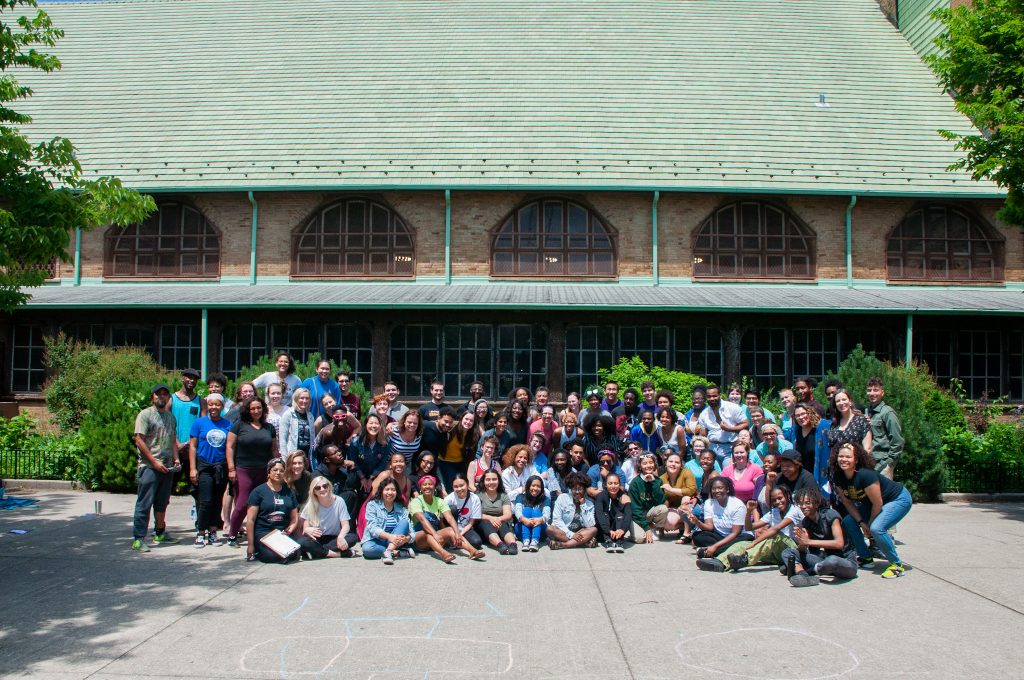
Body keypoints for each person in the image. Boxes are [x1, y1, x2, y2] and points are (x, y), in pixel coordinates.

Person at [831, 442, 912, 578]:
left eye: (848, 457)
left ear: (856, 460)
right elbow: (847, 502)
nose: (844, 460)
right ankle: (866, 558)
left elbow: (877, 502)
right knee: (848, 521)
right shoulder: (838, 476)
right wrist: (861, 522)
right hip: (873, 504)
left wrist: (868, 526)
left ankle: (897, 565)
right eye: (841, 456)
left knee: (876, 528)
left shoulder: (865, 475)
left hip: (897, 499)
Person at [701, 485, 803, 573]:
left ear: (788, 496)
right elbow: (749, 527)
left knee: (775, 536)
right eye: (774, 500)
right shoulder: (774, 512)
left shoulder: (794, 510)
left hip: (792, 549)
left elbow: (776, 529)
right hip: (774, 551)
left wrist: (754, 543)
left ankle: (744, 560)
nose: (777, 502)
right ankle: (720, 563)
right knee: (742, 544)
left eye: (780, 498)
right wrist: (749, 511)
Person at [131, 383, 180, 552]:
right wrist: (153, 462)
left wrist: (176, 459)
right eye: (158, 394)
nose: (162, 397)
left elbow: (173, 439)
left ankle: (160, 532)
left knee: (162, 502)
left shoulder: (170, 417)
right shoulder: (145, 415)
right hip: (149, 467)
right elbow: (139, 440)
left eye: (165, 394)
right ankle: (138, 538)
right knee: (144, 503)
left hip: (166, 467)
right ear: (153, 397)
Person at [226, 396, 280, 546]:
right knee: (243, 503)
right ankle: (232, 535)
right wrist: (231, 468)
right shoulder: (239, 425)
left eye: (259, 408)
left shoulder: (269, 428)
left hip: (264, 470)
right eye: (253, 408)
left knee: (265, 504)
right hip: (244, 469)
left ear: (263, 409)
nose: (256, 411)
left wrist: (278, 466)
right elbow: (230, 447)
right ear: (247, 410)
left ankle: (261, 534)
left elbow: (274, 449)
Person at [782, 486, 859, 587]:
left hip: (845, 562)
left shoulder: (830, 515)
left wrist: (808, 541)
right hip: (823, 560)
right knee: (788, 552)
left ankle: (806, 571)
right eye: (800, 504)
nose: (803, 506)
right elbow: (806, 550)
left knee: (832, 560)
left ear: (817, 503)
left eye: (807, 503)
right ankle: (803, 575)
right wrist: (802, 543)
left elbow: (839, 543)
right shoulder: (806, 522)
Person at [188, 392, 231, 548]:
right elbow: (193, 446)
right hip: (204, 466)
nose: (214, 407)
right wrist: (193, 468)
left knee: (217, 501)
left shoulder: (227, 425)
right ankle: (200, 532)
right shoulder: (199, 423)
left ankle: (213, 531)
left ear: (222, 406)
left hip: (220, 467)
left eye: (217, 404)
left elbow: (230, 447)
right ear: (207, 405)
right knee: (205, 500)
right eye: (211, 404)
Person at [409, 475, 482, 562]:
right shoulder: (416, 501)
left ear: (434, 486)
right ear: (420, 487)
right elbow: (422, 520)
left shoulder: (439, 501)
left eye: (430, 484)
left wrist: (457, 533)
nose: (427, 486)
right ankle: (444, 553)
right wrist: (435, 534)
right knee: (426, 533)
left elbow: (450, 518)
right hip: (418, 540)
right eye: (424, 485)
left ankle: (472, 551)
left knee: (451, 530)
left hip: (435, 538)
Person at [245, 457, 299, 564]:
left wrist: (288, 531)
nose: (278, 473)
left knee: (294, 553)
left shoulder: (289, 492)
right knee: (271, 555)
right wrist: (250, 545)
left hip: (282, 534)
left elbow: (294, 518)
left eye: (281, 470)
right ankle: (260, 551)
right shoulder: (258, 492)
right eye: (275, 470)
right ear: (268, 472)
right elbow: (250, 521)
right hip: (263, 534)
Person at [688, 476, 752, 566]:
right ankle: (724, 552)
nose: (717, 491)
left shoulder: (738, 505)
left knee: (746, 538)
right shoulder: (709, 503)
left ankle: (711, 552)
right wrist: (696, 522)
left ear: (727, 490)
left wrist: (715, 546)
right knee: (697, 536)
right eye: (714, 488)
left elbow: (735, 533)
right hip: (720, 536)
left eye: (720, 488)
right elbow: (709, 527)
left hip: (736, 537)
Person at [297, 475, 358, 559]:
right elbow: (305, 528)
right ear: (314, 491)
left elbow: (346, 525)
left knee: (353, 537)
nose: (322, 489)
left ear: (329, 487)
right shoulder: (310, 504)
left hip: (334, 538)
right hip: (317, 538)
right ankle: (339, 554)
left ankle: (316, 552)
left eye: (325, 486)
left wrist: (340, 537)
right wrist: (308, 530)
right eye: (318, 488)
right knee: (302, 541)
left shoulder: (339, 501)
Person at [171, 367, 204, 517]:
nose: (191, 380)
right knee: (166, 490)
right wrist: (177, 443)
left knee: (197, 491)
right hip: (174, 451)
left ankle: (200, 525)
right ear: (182, 378)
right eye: (188, 377)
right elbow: (166, 424)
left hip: (193, 451)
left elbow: (202, 425)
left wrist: (192, 444)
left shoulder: (200, 401)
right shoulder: (172, 399)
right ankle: (159, 526)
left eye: (195, 378)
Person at [361, 477, 415, 564]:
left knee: (404, 522)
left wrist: (407, 539)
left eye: (393, 490)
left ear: (397, 492)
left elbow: (412, 531)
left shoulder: (402, 508)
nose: (390, 492)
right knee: (367, 549)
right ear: (382, 491)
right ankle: (398, 552)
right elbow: (372, 528)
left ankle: (388, 552)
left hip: (394, 541)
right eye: (387, 489)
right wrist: (390, 537)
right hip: (376, 539)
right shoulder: (372, 505)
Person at [698, 385, 749, 466]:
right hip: (712, 448)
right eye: (709, 397)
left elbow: (746, 424)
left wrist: (730, 429)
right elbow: (703, 436)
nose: (712, 399)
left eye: (714, 396)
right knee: (714, 476)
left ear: (720, 395)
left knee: (727, 475)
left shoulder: (733, 408)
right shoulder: (704, 414)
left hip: (729, 448)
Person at [866, 377, 904, 478]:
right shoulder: (866, 412)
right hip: (868, 466)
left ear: (882, 392)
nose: (872, 393)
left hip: (882, 466)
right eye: (869, 390)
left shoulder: (887, 413)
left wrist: (889, 464)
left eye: (876, 390)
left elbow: (897, 441)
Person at [549, 471, 598, 549]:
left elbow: (589, 525)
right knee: (550, 529)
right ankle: (583, 542)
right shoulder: (562, 498)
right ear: (570, 489)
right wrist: (571, 534)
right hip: (564, 532)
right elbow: (556, 520)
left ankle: (563, 544)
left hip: (580, 532)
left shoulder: (589, 504)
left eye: (580, 489)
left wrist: (583, 505)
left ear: (585, 490)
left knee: (593, 530)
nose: (577, 492)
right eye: (574, 489)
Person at [627, 453, 668, 543]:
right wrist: (646, 527)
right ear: (640, 466)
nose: (648, 465)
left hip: (650, 514)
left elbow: (661, 501)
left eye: (651, 462)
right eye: (645, 463)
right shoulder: (635, 483)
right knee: (640, 539)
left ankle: (652, 528)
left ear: (655, 464)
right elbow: (635, 509)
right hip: (637, 516)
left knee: (663, 509)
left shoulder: (658, 481)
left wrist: (653, 483)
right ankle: (636, 533)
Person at [347, 412, 390, 497]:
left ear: (380, 426)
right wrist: (362, 478)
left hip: (376, 475)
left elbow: (383, 462)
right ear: (366, 425)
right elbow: (353, 461)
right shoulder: (356, 441)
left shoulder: (386, 442)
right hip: (358, 474)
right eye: (371, 423)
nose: (373, 426)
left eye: (376, 423)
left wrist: (371, 478)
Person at [476, 469, 518, 554]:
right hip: (483, 526)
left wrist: (497, 519)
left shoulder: (503, 495)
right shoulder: (478, 495)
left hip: (500, 524)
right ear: (483, 481)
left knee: (502, 523)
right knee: (485, 523)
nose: (491, 482)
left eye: (494, 479)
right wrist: (491, 518)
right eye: (488, 480)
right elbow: (476, 514)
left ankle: (513, 545)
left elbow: (508, 514)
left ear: (499, 481)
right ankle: (500, 545)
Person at [791, 404, 832, 487]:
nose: (801, 417)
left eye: (803, 413)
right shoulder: (795, 431)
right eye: (797, 415)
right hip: (804, 477)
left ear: (810, 413)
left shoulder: (823, 427)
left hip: (822, 474)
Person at [660, 452, 697, 541]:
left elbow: (691, 490)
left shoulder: (687, 473)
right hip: (674, 507)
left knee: (686, 498)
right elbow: (660, 498)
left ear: (681, 465)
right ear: (666, 464)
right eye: (671, 461)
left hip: (690, 505)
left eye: (677, 462)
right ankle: (681, 527)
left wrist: (671, 489)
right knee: (670, 524)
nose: (673, 464)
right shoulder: (662, 478)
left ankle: (686, 532)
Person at [313, 403, 362, 469]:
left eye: (343, 416)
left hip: (335, 453)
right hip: (320, 455)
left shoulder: (346, 427)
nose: (340, 420)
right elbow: (325, 453)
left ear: (347, 418)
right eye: (337, 417)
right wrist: (342, 463)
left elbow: (343, 443)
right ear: (333, 419)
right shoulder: (328, 432)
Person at [444, 473, 485, 550]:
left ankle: (457, 541)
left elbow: (472, 521)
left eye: (461, 485)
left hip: (465, 528)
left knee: (477, 543)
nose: (459, 489)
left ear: (467, 484)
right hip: (451, 529)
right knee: (452, 509)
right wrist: (455, 533)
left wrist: (460, 534)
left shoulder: (475, 498)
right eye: (455, 487)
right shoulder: (449, 499)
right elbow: (443, 519)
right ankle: (451, 540)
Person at [439, 409, 478, 490]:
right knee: (451, 487)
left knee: (462, 487)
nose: (468, 422)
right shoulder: (451, 429)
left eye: (471, 421)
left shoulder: (472, 435)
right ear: (461, 419)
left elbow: (471, 454)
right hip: (446, 462)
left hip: (460, 463)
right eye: (466, 419)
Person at [826, 388, 873, 454]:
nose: (841, 403)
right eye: (838, 401)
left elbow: (867, 449)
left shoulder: (861, 421)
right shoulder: (834, 424)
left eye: (844, 399)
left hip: (857, 462)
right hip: (837, 462)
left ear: (850, 401)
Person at [594, 472, 631, 552]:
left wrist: (623, 529)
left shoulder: (624, 497)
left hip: (618, 528)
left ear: (619, 485)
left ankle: (619, 542)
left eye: (616, 483)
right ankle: (608, 541)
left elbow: (628, 515)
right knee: (605, 514)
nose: (613, 486)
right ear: (606, 485)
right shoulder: (600, 497)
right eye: (610, 483)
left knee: (620, 514)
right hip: (604, 530)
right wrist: (608, 530)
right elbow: (599, 515)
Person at [514, 475, 551, 551]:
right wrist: (524, 520)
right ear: (528, 486)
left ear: (542, 488)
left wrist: (540, 520)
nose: (535, 488)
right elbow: (517, 512)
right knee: (527, 510)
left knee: (536, 511)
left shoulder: (545, 499)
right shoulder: (520, 497)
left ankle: (534, 541)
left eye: (538, 486)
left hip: (540, 531)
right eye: (533, 485)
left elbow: (547, 515)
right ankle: (526, 541)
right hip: (523, 529)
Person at [278, 388, 315, 463]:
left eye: (307, 398)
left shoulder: (310, 416)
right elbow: (282, 439)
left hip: (307, 455)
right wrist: (285, 459)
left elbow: (312, 437)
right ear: (296, 398)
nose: (304, 401)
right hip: (293, 455)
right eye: (301, 398)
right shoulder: (288, 414)